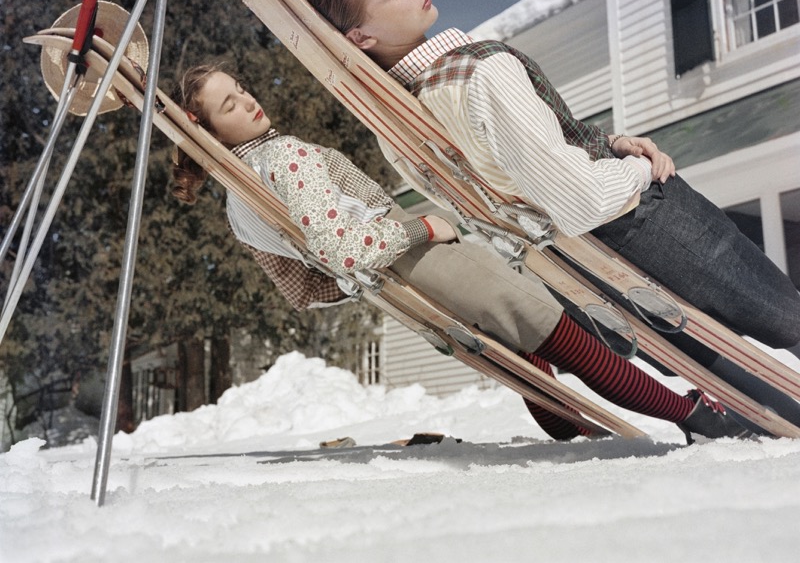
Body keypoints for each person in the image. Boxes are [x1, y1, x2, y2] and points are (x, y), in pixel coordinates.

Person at [288, 0, 800, 424]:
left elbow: (516, 180)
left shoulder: (397, 125)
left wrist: (608, 145)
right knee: (782, 317)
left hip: (580, 270)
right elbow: (582, 199)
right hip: (641, 223)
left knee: (716, 367)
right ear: (361, 36)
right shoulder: (478, 73)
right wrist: (640, 169)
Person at [170, 63, 748, 443]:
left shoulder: (237, 206)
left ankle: (567, 427)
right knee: (560, 333)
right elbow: (342, 246)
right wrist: (422, 228)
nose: (246, 101)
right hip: (417, 254)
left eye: (240, 88)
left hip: (397, 284)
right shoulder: (285, 157)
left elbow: (300, 289)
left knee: (523, 347)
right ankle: (694, 417)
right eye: (228, 105)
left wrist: (359, 282)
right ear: (210, 131)